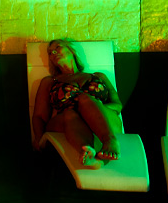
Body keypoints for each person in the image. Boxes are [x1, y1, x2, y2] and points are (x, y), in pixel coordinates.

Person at [31, 39, 123, 169]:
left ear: (71, 50)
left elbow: (117, 105)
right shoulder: (49, 81)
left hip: (106, 120)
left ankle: (109, 141)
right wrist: (39, 138)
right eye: (50, 52)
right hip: (67, 121)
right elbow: (39, 116)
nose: (53, 52)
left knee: (86, 99)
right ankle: (87, 153)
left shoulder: (99, 76)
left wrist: (91, 109)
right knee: (70, 113)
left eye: (58, 47)